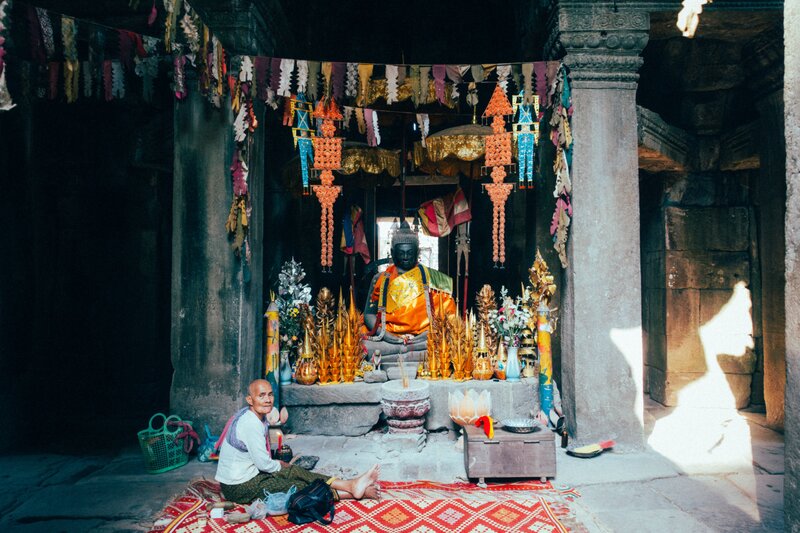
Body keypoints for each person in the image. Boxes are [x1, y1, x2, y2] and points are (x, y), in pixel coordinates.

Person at [215, 379, 380, 504]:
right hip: (238, 487)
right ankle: (352, 492)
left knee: (296, 472)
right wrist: (280, 465)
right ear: (250, 400)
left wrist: (283, 466)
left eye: (270, 394)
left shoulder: (254, 417)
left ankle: (349, 484)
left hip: (252, 475)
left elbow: (265, 463)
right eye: (261, 395)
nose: (267, 400)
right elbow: (264, 465)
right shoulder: (250, 424)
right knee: (295, 486)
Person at [362, 221, 456, 366]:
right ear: (393, 253)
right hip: (388, 339)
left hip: (424, 338)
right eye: (401, 253)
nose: (405, 257)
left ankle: (402, 353)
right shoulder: (380, 279)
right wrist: (385, 335)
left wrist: (426, 334)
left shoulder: (433, 279)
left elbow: (449, 317)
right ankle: (407, 352)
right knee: (363, 346)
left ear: (417, 252)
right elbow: (369, 314)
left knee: (448, 344)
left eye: (409, 252)